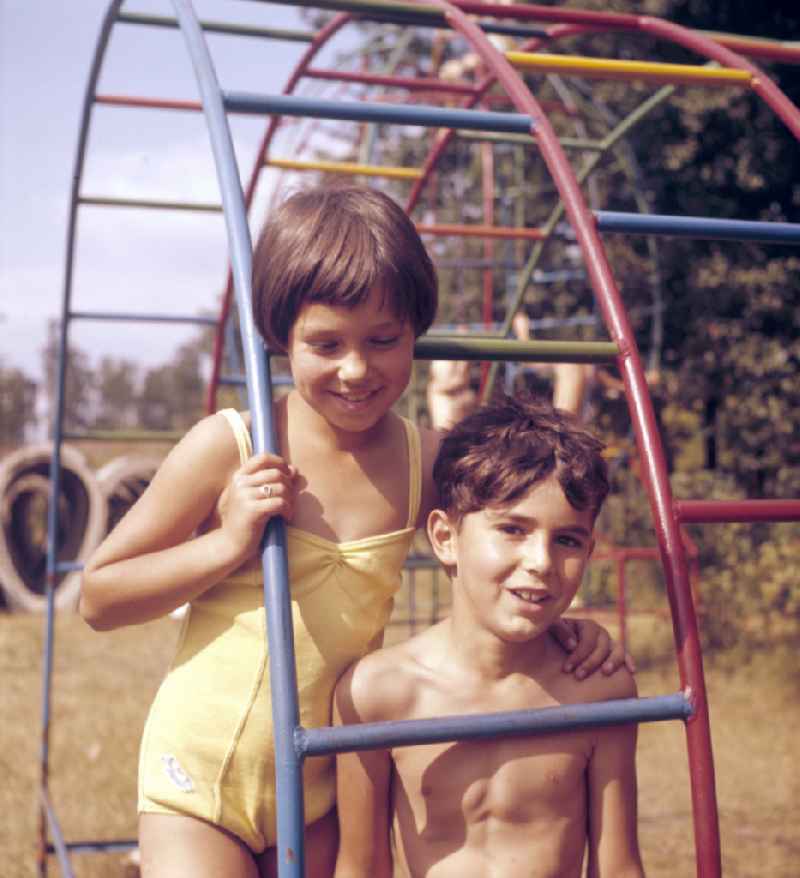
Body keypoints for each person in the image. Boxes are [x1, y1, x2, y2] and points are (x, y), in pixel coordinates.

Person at [79, 185, 628, 878]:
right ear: (281, 335)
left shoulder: (422, 459)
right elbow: (99, 598)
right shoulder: (234, 445)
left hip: (320, 784)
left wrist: (566, 628)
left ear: (414, 331)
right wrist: (224, 544)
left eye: (383, 340)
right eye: (326, 344)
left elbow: (517, 534)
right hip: (200, 780)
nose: (357, 369)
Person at [333, 395, 644, 878]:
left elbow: (619, 865)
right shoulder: (376, 694)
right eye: (513, 530)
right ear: (444, 538)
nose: (541, 562)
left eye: (567, 540)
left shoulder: (600, 688)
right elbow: (361, 868)